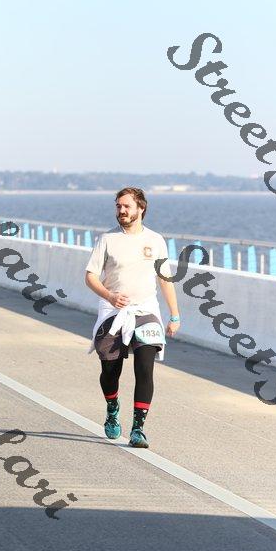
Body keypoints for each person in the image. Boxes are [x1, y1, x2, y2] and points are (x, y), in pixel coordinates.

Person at [85, 187, 180, 448]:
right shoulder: (107, 239)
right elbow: (90, 276)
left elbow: (165, 279)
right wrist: (109, 296)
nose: (121, 211)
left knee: (145, 368)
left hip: (146, 311)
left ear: (141, 208)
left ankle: (138, 428)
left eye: (126, 206)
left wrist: (174, 315)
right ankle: (112, 407)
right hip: (113, 312)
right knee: (110, 371)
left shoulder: (155, 240)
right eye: (118, 206)